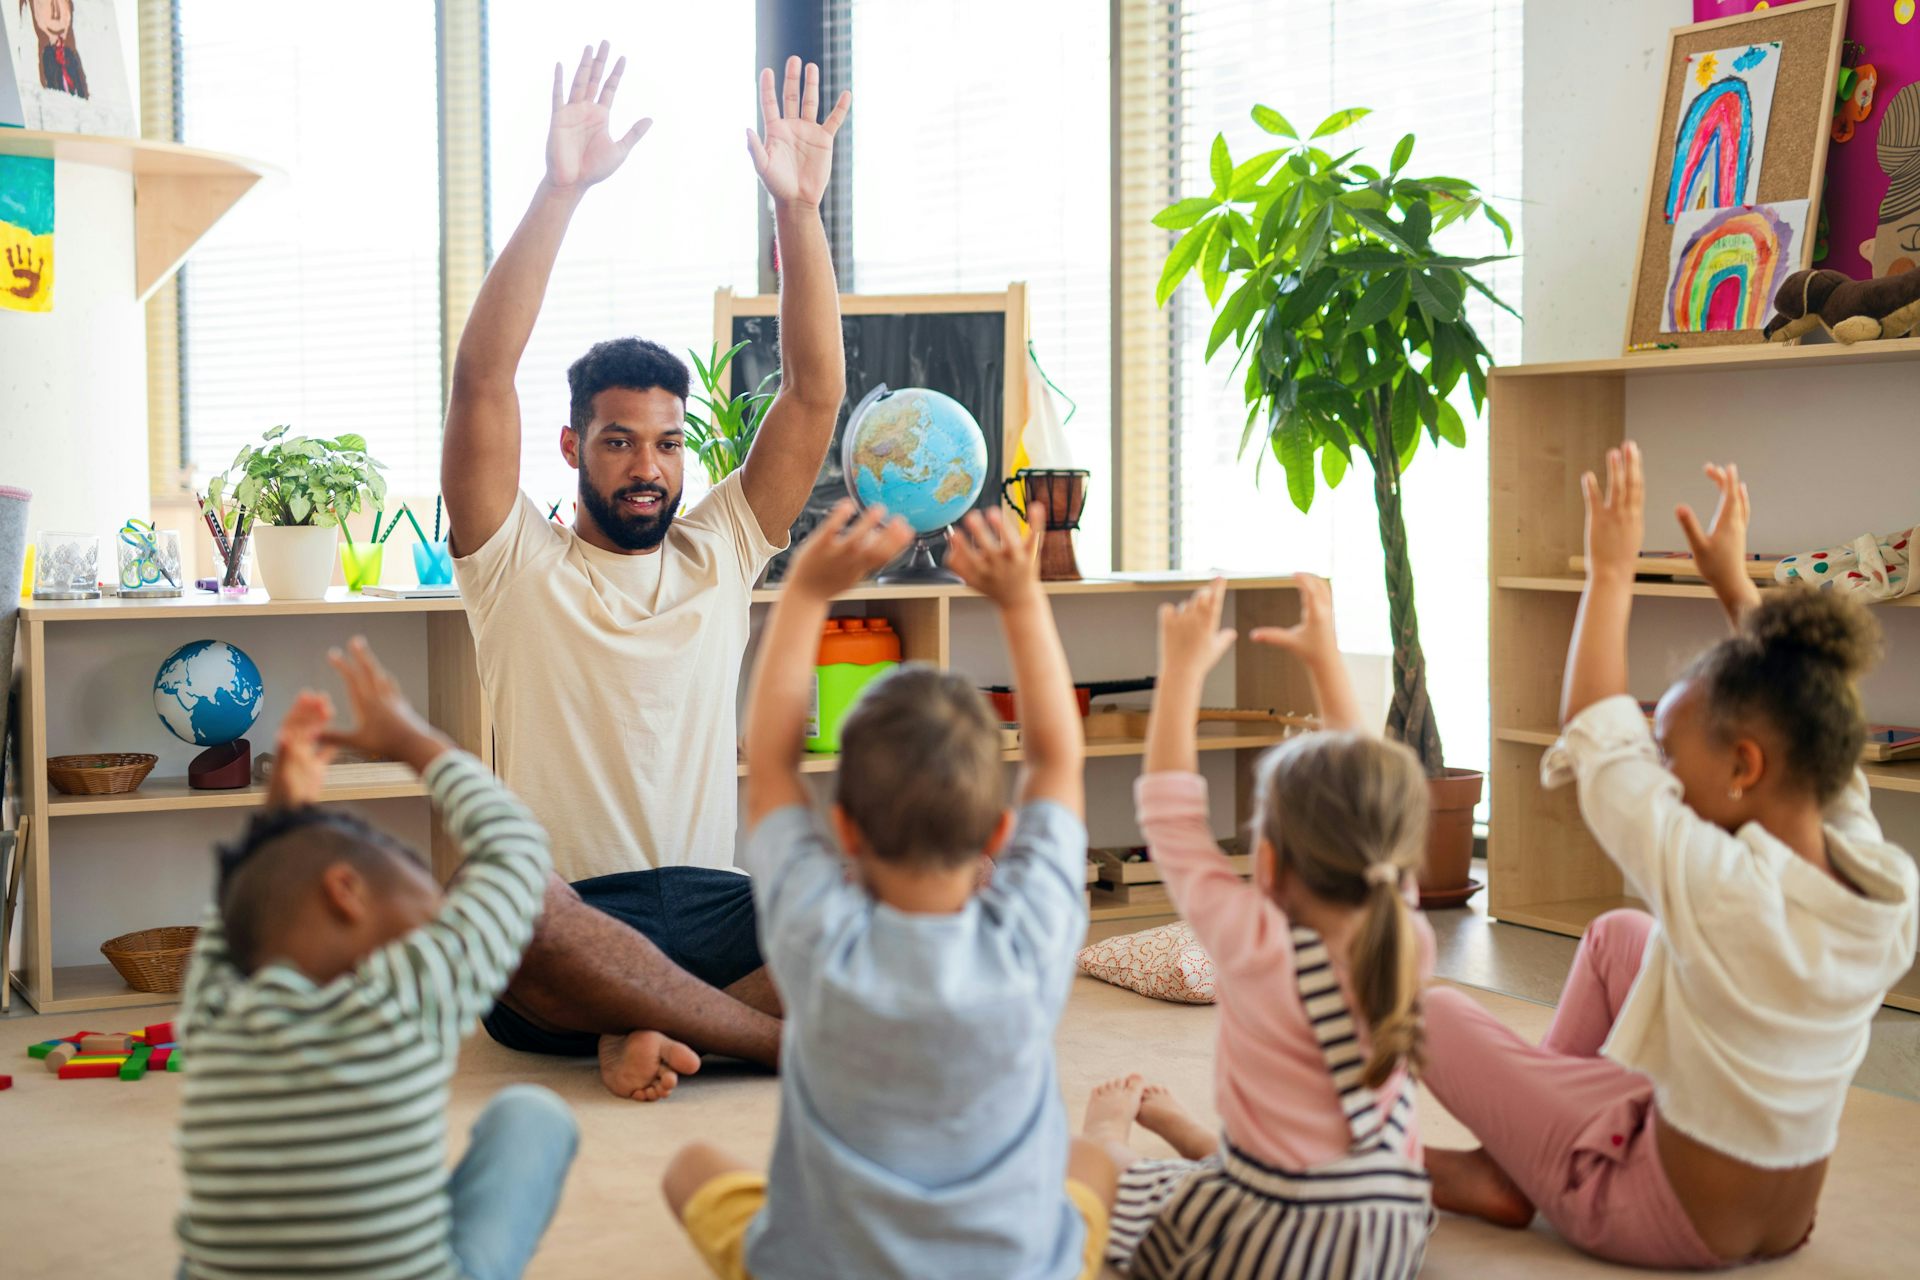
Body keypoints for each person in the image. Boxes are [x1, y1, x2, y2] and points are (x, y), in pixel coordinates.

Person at [441, 40, 851, 1098]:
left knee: (889, 899)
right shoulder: (512, 564)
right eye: (620, 440)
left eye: (668, 443)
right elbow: (482, 376)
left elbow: (812, 397)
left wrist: (798, 214)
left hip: (714, 906)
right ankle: (750, 1041)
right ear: (574, 448)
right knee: (503, 897)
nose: (648, 466)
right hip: (572, 920)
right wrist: (559, 188)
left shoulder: (720, 551)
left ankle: (648, 1032)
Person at [1421, 448, 1920, 1267]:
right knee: (1621, 935)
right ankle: (1523, 1156)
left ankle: (1518, 1171)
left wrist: (1610, 574)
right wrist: (1732, 585)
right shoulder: (1878, 876)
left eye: (1670, 753)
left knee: (1430, 1012)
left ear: (1743, 768)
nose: (1660, 772)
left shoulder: (1719, 886)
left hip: (1657, 1213)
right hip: (1784, 1218)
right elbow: (1805, 716)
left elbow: (1596, 731)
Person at [661, 500, 1117, 1279]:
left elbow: (768, 764)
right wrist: (1021, 599)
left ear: (844, 831)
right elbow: (1055, 762)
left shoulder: (817, 938)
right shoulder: (1033, 937)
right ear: (998, 838)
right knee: (1092, 1164)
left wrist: (805, 591)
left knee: (690, 1167)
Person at [174, 639, 575, 1280]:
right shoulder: (409, 996)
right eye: (425, 891)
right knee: (533, 1115)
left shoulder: (216, 1014)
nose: (439, 914)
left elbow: (241, 917)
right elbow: (517, 848)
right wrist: (415, 742)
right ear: (348, 892)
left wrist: (281, 824)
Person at [1085, 574, 1436, 1278]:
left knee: (1090, 1171)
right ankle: (1198, 1140)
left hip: (1272, 1243)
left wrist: (1179, 672)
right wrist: (1326, 660)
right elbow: (1367, 789)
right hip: (1389, 1232)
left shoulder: (1252, 944)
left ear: (1265, 862)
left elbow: (1170, 817)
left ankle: (1109, 1134)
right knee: (1281, 1166)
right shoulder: (1403, 925)